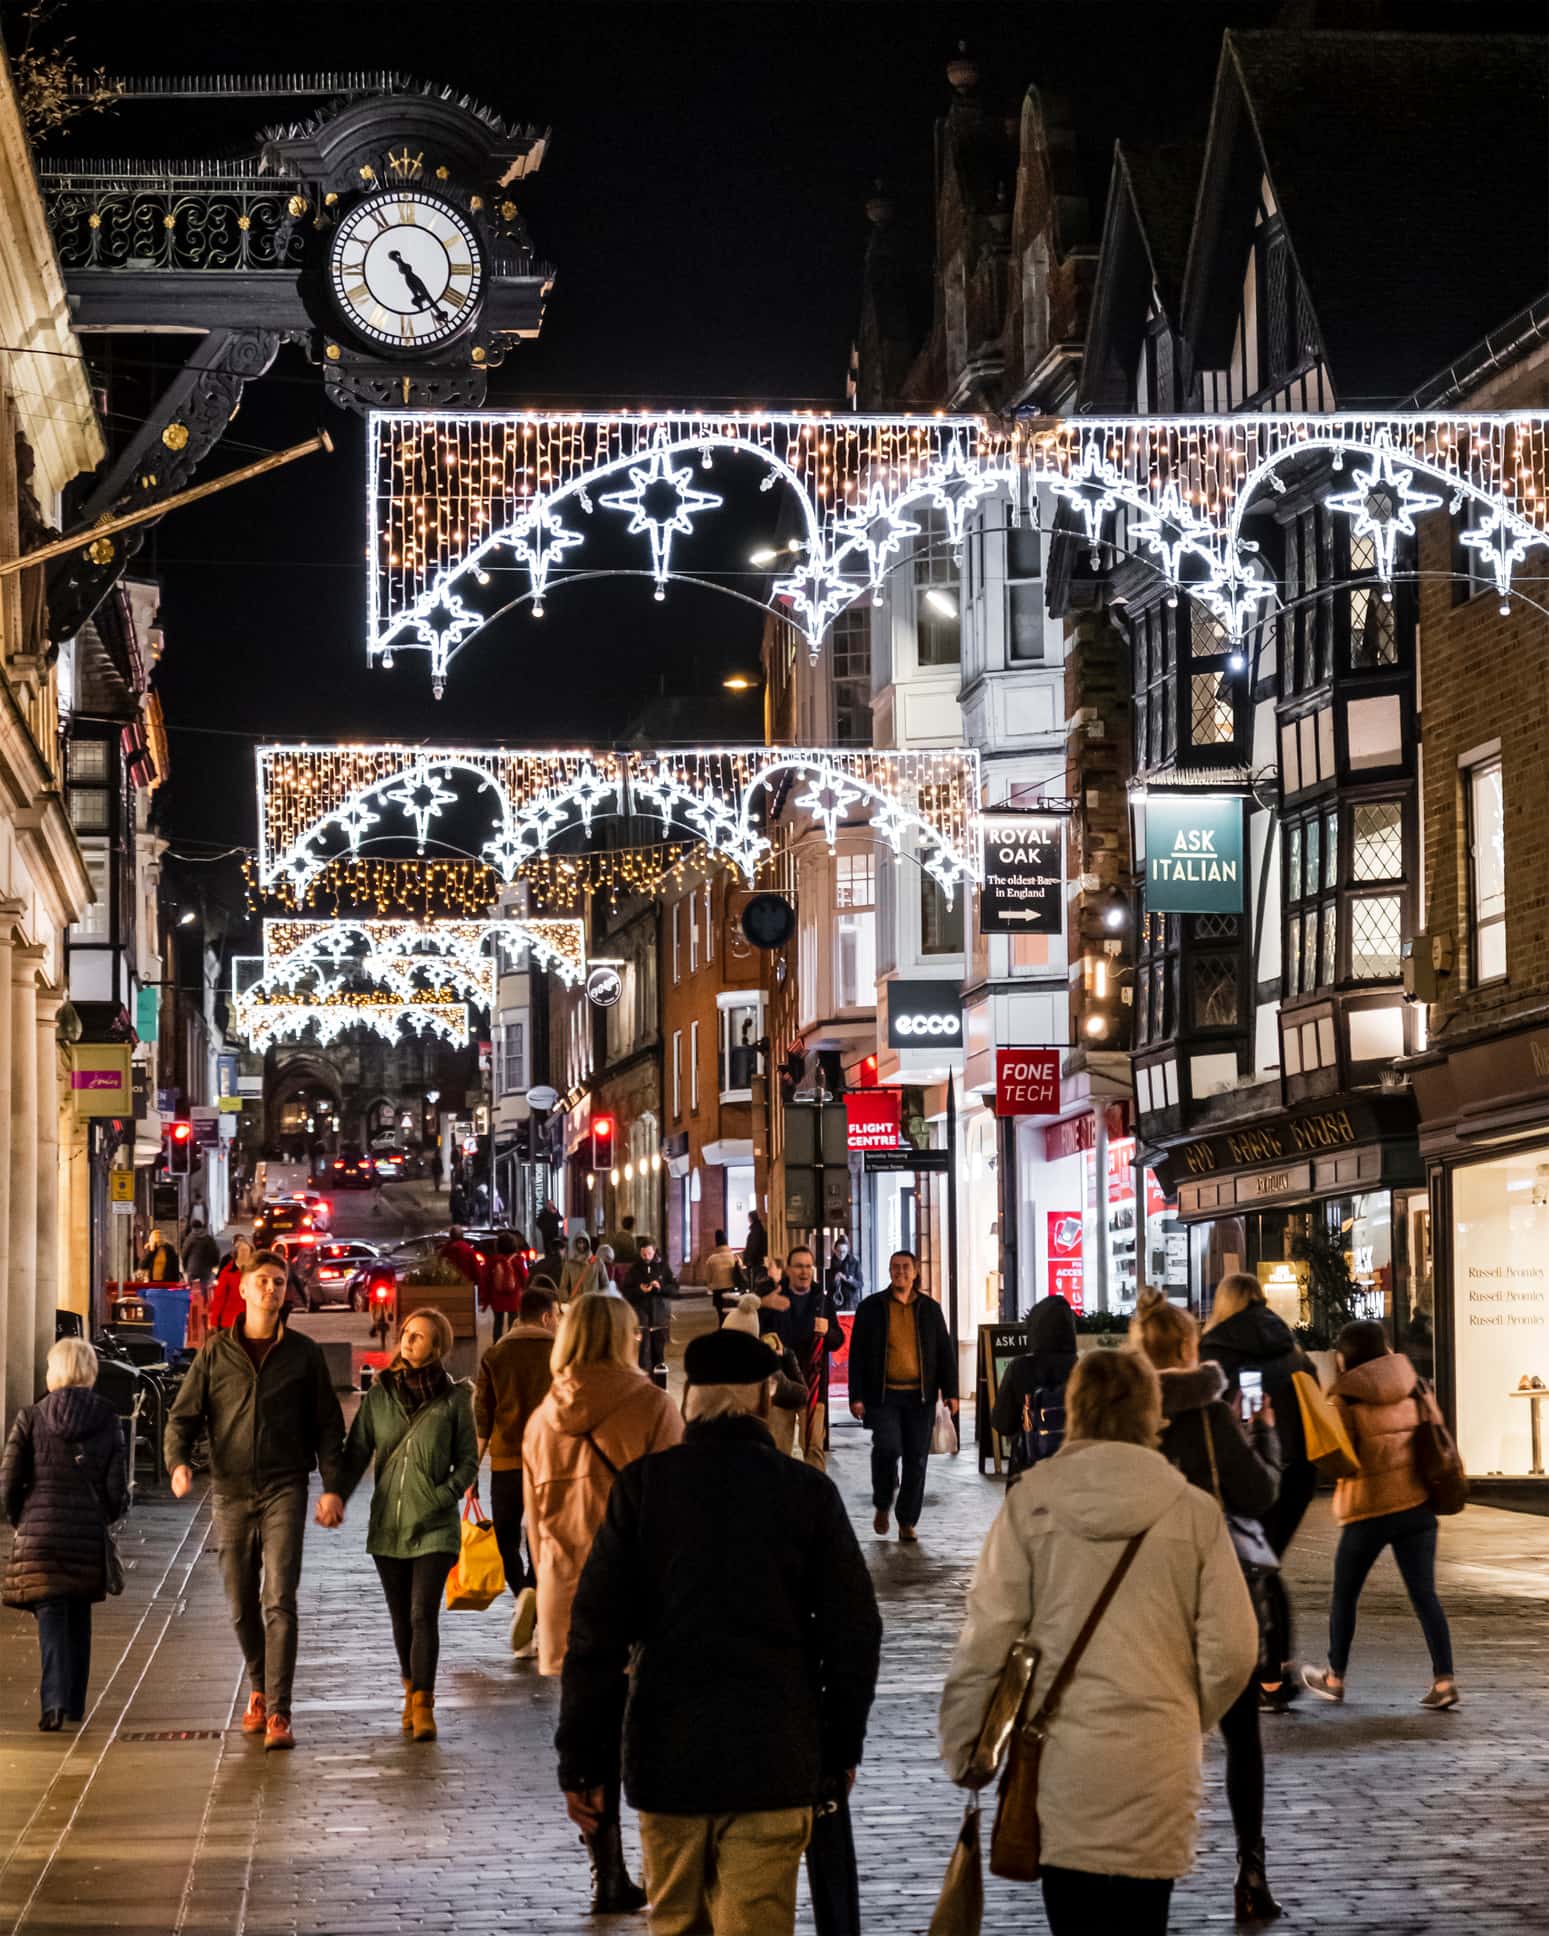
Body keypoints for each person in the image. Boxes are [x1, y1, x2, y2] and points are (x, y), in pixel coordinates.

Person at [558, 1324, 882, 1936]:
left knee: (677, 1920)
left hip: (668, 1759)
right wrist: (839, 1749)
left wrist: (584, 1764)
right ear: (762, 1399)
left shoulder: (645, 1488)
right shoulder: (805, 1493)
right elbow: (853, 1629)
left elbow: (595, 1638)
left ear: (688, 1401)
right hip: (775, 1756)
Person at [939, 1348, 1258, 1936]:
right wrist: (1184, 1710)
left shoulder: (1032, 1502)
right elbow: (1235, 1649)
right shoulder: (1192, 1513)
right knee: (1144, 1920)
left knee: (1074, 1916)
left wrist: (965, 1744)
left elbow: (989, 1635)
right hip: (1158, 1760)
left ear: (1076, 1408)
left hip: (1063, 1761)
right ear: (1151, 1413)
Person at [523, 1292, 682, 1912]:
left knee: (590, 1733)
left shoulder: (543, 1419)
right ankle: (664, 1859)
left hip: (571, 1593)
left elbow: (537, 1524)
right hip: (640, 1592)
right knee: (651, 1725)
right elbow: (675, 1509)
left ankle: (607, 1871)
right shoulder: (650, 1405)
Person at [1130, 1290, 1284, 1924]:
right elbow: (1260, 1496)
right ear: (1190, 1347)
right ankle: (1251, 1868)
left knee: (1146, 1731)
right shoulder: (1213, 1417)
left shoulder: (1129, 1419)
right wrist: (1266, 1438)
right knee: (1241, 1734)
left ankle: (1137, 1867)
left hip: (1145, 1598)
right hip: (1218, 1592)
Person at [164, 1249, 346, 1752]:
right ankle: (259, 1685)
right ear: (242, 1289)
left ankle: (279, 1713)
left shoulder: (304, 1355)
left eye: (279, 1282)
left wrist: (332, 1486)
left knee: (279, 1599)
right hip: (231, 1490)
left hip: (286, 1485)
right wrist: (178, 1462)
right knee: (241, 1602)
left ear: (287, 1291)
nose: (271, 1289)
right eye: (262, 1281)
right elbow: (183, 1417)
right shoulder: (216, 1353)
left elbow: (329, 1425)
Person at [1301, 1319, 1458, 1711]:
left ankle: (1335, 1677)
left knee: (1345, 1595)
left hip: (1367, 1509)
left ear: (1346, 1356)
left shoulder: (1346, 1398)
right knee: (1425, 1596)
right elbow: (1436, 1431)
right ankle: (1444, 1681)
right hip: (1417, 1505)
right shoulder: (1415, 1385)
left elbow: (1342, 1462)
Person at [336, 1306, 476, 1742]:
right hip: (389, 1526)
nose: (408, 1340)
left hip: (434, 1526)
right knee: (401, 1617)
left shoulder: (454, 1400)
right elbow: (358, 1449)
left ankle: (424, 1704)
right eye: (407, 1333)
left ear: (439, 1347)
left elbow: (469, 1460)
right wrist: (335, 1494)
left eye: (419, 1336)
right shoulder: (380, 1395)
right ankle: (409, 1688)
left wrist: (443, 1495)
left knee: (421, 1613)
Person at [1202, 1271, 1319, 1708]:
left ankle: (1268, 1674)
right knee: (1265, 1566)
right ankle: (1276, 1672)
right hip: (1299, 1473)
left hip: (1246, 1473)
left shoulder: (1215, 1351)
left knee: (1254, 1568)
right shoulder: (1292, 1349)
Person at [2, 1339, 128, 1731]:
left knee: (52, 1617)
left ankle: (53, 1703)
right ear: (91, 1373)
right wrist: (103, 1516)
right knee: (79, 1615)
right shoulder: (108, 1418)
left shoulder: (31, 1416)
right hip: (85, 1533)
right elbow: (116, 1488)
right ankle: (73, 1703)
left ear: (53, 1372)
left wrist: (19, 1519)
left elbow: (8, 1481)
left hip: (40, 1536)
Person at [472, 1284, 560, 1657]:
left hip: (506, 1460)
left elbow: (482, 1413)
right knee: (543, 1540)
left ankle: (522, 1591)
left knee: (506, 1538)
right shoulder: (560, 1352)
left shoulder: (495, 1354)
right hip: (551, 1462)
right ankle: (537, 1609)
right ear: (546, 1316)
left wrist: (471, 1470)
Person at [847, 1251, 958, 1541]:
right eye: (895, 1267)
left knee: (916, 1459)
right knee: (886, 1448)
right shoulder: (872, 1307)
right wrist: (856, 1395)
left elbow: (945, 1353)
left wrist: (951, 1392)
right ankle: (883, 1503)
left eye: (906, 1268)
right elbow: (856, 1354)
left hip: (919, 1398)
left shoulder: (930, 1310)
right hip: (883, 1396)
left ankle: (907, 1520)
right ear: (889, 1271)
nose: (900, 1272)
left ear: (915, 1272)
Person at [758, 1245, 838, 1467]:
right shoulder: (774, 1297)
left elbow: (837, 1339)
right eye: (799, 1266)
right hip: (780, 1384)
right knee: (776, 1449)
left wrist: (827, 1332)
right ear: (789, 1270)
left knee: (813, 1449)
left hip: (813, 1386)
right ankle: (779, 1499)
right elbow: (755, 1333)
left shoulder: (822, 1301)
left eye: (808, 1266)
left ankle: (817, 1498)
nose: (804, 1272)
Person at [993, 1292, 1079, 1476]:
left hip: (1029, 1471)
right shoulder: (1084, 1369)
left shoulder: (1021, 1368)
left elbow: (1003, 1423)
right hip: (1075, 1472)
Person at [723, 1292, 808, 1415]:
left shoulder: (707, 1368)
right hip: (753, 1432)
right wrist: (786, 1355)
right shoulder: (766, 1371)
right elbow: (801, 1396)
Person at [623, 1237, 678, 1388]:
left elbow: (674, 1290)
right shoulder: (634, 1269)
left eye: (649, 1253)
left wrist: (660, 1287)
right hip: (641, 1318)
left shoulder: (663, 1267)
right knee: (642, 1355)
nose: (646, 1257)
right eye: (643, 1254)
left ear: (654, 1251)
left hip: (659, 1318)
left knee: (658, 1355)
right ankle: (644, 1387)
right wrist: (639, 1290)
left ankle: (660, 1388)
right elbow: (625, 1292)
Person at [208, 1234, 255, 1331]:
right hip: (230, 1322)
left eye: (246, 1250)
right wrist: (213, 1321)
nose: (244, 1254)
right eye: (242, 1250)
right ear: (236, 1253)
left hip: (252, 1321)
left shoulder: (256, 1272)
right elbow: (219, 1298)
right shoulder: (228, 1272)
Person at [486, 1232, 527, 1342]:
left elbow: (486, 1279)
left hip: (497, 1297)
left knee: (498, 1323)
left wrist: (486, 1298)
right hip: (513, 1297)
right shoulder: (518, 1260)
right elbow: (525, 1276)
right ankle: (510, 1345)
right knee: (513, 1323)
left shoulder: (492, 1261)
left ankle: (496, 1346)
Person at [701, 1228, 741, 1319]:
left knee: (721, 1317)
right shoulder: (733, 1257)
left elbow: (707, 1278)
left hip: (718, 1292)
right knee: (732, 1316)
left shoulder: (711, 1259)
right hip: (732, 1290)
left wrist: (711, 1284)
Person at [560, 1234, 606, 1303]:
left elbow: (605, 1283)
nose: (581, 1245)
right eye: (579, 1242)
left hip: (593, 1303)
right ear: (575, 1244)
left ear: (588, 1243)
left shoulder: (597, 1262)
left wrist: (602, 1302)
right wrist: (567, 1301)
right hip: (576, 1303)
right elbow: (563, 1286)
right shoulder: (569, 1264)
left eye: (584, 1242)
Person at [824, 1234, 863, 1310]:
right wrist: (834, 1281)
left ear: (847, 1250)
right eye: (839, 1251)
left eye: (844, 1252)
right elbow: (824, 1286)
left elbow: (860, 1284)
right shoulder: (828, 1264)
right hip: (833, 1303)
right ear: (834, 1250)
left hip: (851, 1304)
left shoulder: (854, 1263)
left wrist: (850, 1280)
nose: (841, 1254)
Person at [182, 1224, 221, 1293]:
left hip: (192, 1267)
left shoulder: (190, 1238)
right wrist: (215, 1263)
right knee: (205, 1287)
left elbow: (185, 1253)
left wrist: (185, 1266)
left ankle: (189, 1300)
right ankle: (205, 1301)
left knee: (189, 1287)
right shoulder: (208, 1238)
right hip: (206, 1268)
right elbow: (215, 1251)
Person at [743, 1207, 768, 1278]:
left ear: (751, 1218)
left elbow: (752, 1248)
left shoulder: (755, 1231)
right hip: (760, 1262)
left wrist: (748, 1261)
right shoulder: (760, 1229)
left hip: (756, 1264)